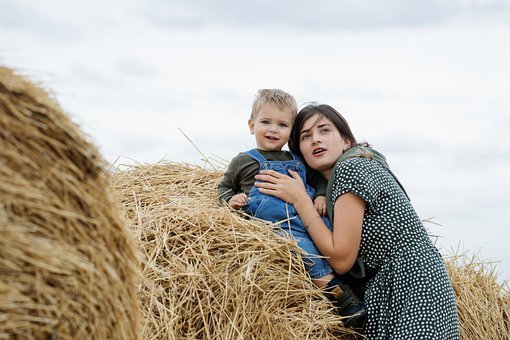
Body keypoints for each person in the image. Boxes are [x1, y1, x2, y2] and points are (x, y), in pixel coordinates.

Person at [253, 103, 460, 339]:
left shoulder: (350, 168)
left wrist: (300, 200)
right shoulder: (347, 173)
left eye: (324, 130)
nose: (315, 140)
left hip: (411, 285)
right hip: (393, 289)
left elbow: (340, 258)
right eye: (306, 136)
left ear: (346, 141)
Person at [218, 90, 366, 327]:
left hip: (308, 216)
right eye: (266, 122)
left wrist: (319, 195)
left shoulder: (297, 158)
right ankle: (341, 298)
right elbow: (224, 187)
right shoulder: (243, 161)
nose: (273, 129)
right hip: (279, 225)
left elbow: (317, 180)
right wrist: (231, 200)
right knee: (307, 254)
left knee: (333, 242)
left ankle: (353, 281)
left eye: (282, 125)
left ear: (291, 131)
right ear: (251, 125)